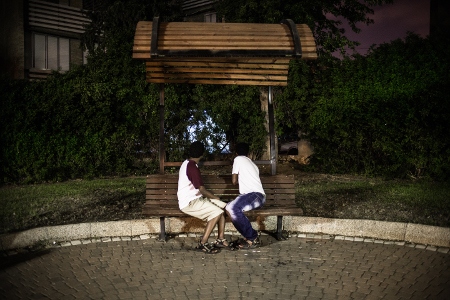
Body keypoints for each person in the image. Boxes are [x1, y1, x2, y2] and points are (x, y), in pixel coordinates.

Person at [177, 141, 229, 254]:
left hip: (196, 199)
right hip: (189, 203)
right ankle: (203, 243)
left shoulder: (187, 163)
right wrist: (216, 198)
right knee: (217, 212)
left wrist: (216, 200)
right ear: (202, 154)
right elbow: (202, 190)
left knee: (223, 207)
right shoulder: (192, 167)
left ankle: (220, 239)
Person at [226, 142, 265, 249]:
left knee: (232, 208)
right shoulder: (253, 164)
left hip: (255, 196)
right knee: (229, 208)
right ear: (247, 153)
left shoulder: (238, 159)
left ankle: (252, 237)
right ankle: (249, 236)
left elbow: (234, 181)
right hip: (256, 197)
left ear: (236, 153)